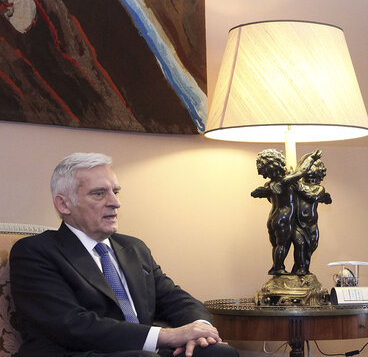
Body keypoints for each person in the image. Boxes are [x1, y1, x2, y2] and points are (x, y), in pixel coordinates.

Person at [9, 153, 239, 357]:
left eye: (115, 192)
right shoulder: (35, 252)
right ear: (64, 204)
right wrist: (166, 336)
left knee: (218, 353)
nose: (115, 203)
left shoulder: (133, 249)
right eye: (99, 194)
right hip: (78, 352)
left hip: (143, 352)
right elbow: (72, 325)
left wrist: (200, 329)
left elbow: (176, 300)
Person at [251, 149, 321, 276]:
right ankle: (278, 267)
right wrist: (311, 159)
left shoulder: (269, 184)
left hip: (272, 217)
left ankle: (277, 266)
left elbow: (268, 197)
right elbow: (301, 172)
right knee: (283, 244)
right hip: (284, 217)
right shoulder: (284, 181)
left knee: (276, 245)